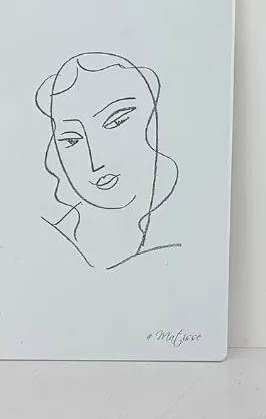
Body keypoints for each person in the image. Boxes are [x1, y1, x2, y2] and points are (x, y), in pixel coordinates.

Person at [34, 52, 180, 271]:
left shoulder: (186, 224)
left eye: (116, 122)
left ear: (152, 118)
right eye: (71, 140)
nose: (96, 162)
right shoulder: (51, 241)